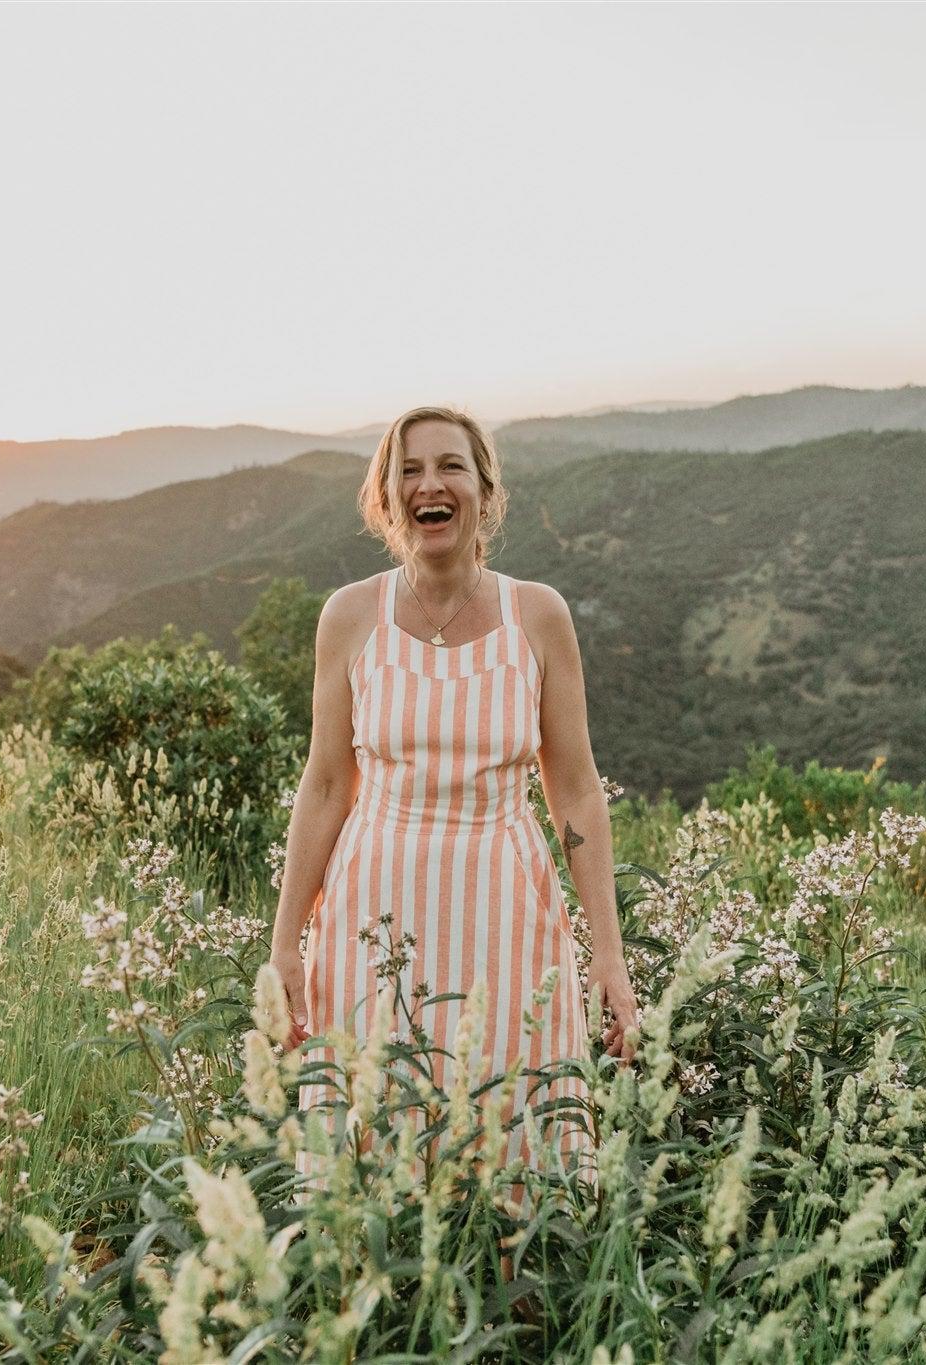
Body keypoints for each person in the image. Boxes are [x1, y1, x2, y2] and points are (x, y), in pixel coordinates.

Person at [265, 404, 641, 1185]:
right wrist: (284, 945)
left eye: (449, 467)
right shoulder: (348, 616)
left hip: (506, 923)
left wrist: (607, 951)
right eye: (408, 470)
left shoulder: (538, 615)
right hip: (371, 929)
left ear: (485, 491)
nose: (428, 485)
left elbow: (576, 791)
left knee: (515, 1152)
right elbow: (326, 785)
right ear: (385, 497)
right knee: (368, 1156)